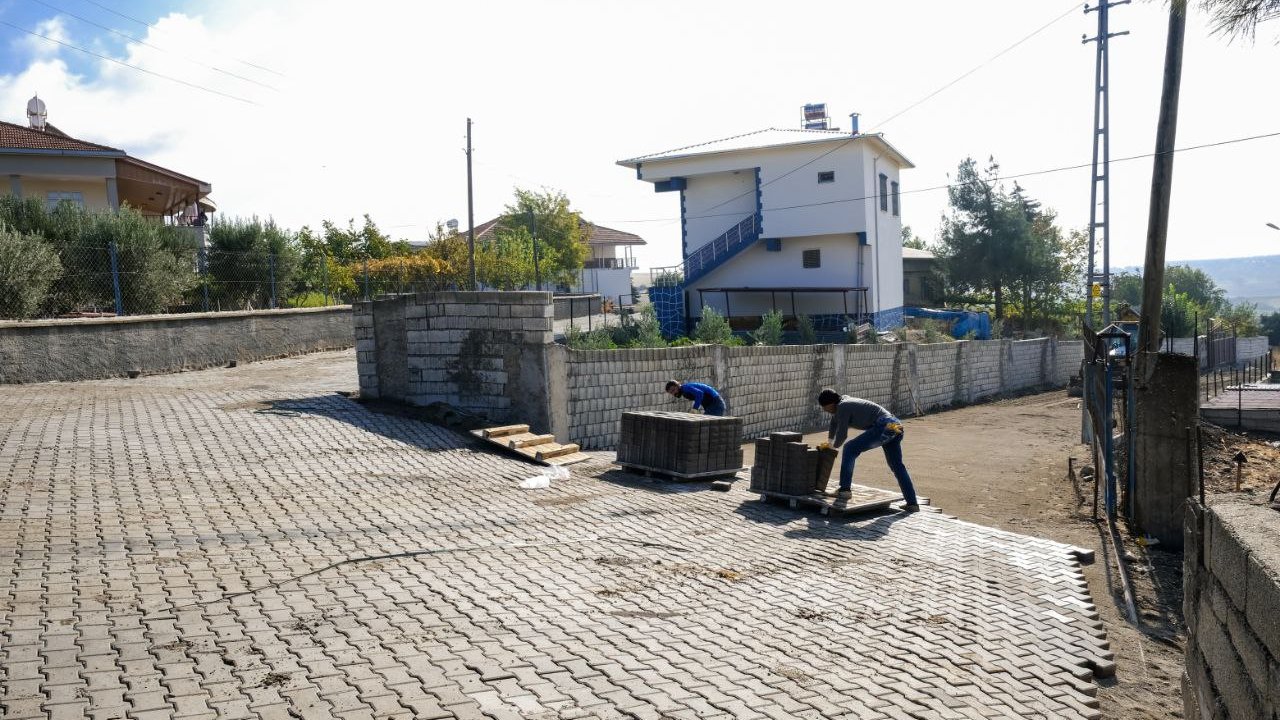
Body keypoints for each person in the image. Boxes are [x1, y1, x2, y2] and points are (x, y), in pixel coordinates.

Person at [817, 388, 918, 511]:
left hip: (884, 426)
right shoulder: (844, 401)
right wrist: (830, 442)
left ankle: (844, 490)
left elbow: (842, 435)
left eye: (824, 407)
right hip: (895, 425)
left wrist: (832, 447)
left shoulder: (843, 407)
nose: (824, 410)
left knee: (849, 448)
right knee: (897, 466)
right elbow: (834, 422)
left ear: (831, 403)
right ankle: (912, 503)